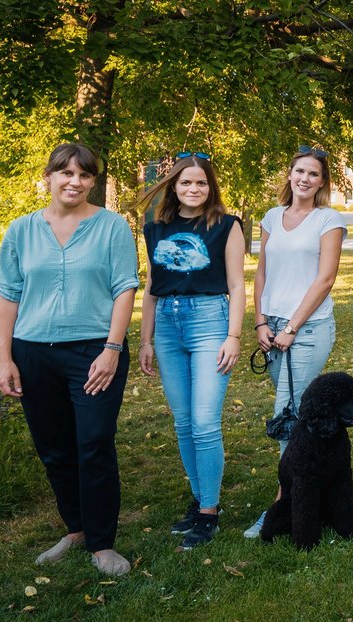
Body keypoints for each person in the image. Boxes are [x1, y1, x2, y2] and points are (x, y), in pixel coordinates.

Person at [0, 143, 138, 575]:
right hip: (33, 352)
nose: (75, 181)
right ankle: (75, 528)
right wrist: (5, 358)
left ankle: (102, 543)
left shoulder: (112, 227)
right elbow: (7, 295)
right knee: (54, 448)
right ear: (49, 176)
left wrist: (111, 350)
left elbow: (124, 288)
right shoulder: (20, 231)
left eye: (84, 175)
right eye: (66, 173)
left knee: (93, 442)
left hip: (95, 351)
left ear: (93, 181)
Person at [138, 153, 245, 549]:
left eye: (201, 182)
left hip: (209, 322)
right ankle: (200, 498)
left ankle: (209, 512)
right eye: (186, 183)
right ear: (174, 187)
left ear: (210, 186)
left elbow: (237, 285)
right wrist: (146, 339)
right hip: (167, 325)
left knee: (204, 422)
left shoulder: (226, 226)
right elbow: (151, 288)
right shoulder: (156, 229)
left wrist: (233, 336)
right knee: (183, 422)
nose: (193, 189)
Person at [245, 146, 346, 537]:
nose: (305, 179)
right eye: (299, 171)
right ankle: (314, 492)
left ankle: (281, 508)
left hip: (308, 328)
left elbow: (325, 279)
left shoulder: (328, 219)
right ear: (289, 175)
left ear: (322, 182)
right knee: (294, 417)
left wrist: (292, 328)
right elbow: (261, 273)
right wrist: (260, 323)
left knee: (287, 417)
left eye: (314, 174)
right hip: (271, 329)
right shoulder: (271, 217)